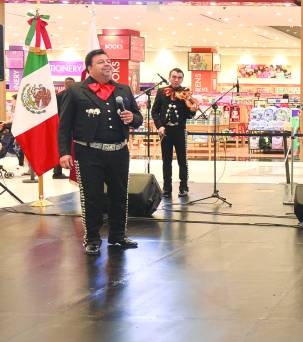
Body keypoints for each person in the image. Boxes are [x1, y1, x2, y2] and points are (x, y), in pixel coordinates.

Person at [58, 49, 143, 255]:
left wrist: (133, 118)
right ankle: (93, 238)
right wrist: (63, 152)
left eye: (108, 61)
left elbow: (138, 118)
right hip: (89, 152)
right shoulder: (76, 91)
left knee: (119, 195)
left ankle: (117, 235)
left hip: (119, 151)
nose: (107, 64)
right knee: (92, 197)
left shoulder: (123, 89)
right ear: (89, 68)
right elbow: (64, 125)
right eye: (101, 62)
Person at [151, 68, 198, 198]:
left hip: (179, 131)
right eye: (174, 77)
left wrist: (193, 110)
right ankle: (167, 188)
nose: (176, 79)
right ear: (170, 77)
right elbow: (154, 112)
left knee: (182, 160)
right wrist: (159, 126)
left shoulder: (185, 93)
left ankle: (183, 187)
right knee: (166, 161)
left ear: (182, 79)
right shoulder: (161, 92)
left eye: (179, 77)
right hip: (165, 132)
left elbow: (189, 115)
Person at [52, 77, 76, 179]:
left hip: (72, 126)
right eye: (68, 83)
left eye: (71, 83)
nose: (70, 85)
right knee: (62, 148)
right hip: (64, 126)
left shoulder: (76, 95)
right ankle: (57, 171)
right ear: (65, 84)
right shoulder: (60, 96)